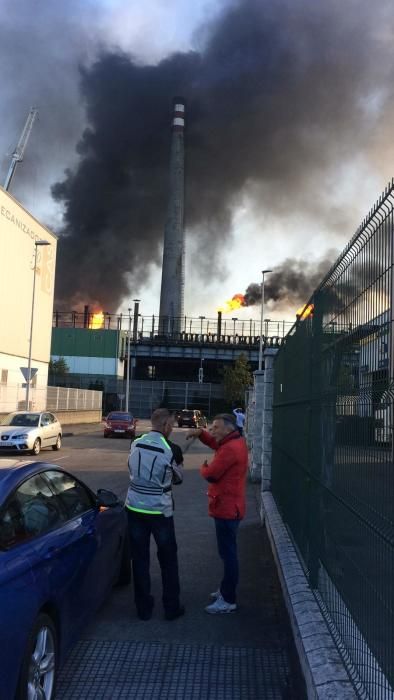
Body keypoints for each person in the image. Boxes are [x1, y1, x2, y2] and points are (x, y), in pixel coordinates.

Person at [125, 408, 185, 621]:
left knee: (139, 559)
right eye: (172, 425)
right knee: (168, 560)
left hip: (133, 508)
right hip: (160, 510)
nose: (173, 429)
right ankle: (171, 607)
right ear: (166, 426)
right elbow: (179, 478)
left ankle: (143, 609)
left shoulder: (136, 442)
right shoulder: (172, 449)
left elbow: (131, 468)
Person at [186, 413, 248, 614]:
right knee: (226, 553)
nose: (212, 431)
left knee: (228, 555)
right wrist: (201, 434)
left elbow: (212, 474)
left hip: (227, 509)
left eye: (216, 428)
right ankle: (225, 590)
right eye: (211, 427)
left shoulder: (230, 448)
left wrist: (203, 467)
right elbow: (214, 443)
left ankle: (228, 599)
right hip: (228, 507)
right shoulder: (233, 441)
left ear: (228, 429)